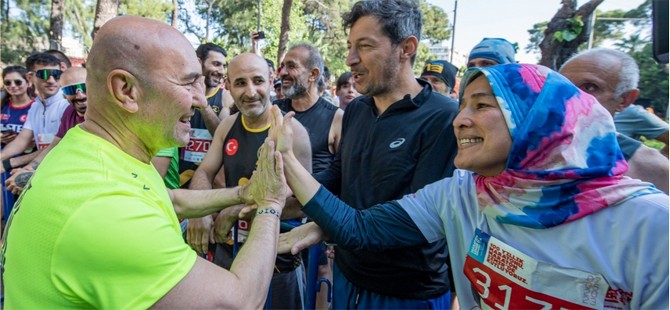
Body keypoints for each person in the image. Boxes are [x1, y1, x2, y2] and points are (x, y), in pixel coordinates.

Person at [270, 63, 669, 309]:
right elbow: (359, 229)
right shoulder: (459, 194)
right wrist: (287, 160)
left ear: (539, 119)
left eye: (481, 105)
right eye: (462, 106)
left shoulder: (649, 226)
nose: (459, 120)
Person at [1, 16, 288, 308]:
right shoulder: (104, 209)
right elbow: (238, 303)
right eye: (188, 82)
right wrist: (270, 204)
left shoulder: (91, 148)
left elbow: (167, 200)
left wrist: (244, 194)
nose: (200, 99)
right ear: (126, 90)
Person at [283, 0, 460, 308]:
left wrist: (289, 164)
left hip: (406, 294)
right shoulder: (357, 110)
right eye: (351, 46)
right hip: (349, 278)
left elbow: (398, 224)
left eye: (364, 46)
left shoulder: (444, 118)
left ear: (406, 48)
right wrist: (285, 196)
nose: (351, 59)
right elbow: (341, 175)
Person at [187, 52, 312, 309]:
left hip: (277, 261)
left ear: (271, 81)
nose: (251, 91)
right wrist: (198, 211)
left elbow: (305, 203)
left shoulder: (292, 131)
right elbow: (203, 173)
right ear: (229, 86)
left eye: (258, 81)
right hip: (228, 254)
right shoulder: (228, 125)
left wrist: (237, 212)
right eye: (241, 83)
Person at [559, 47, 669, 193]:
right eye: (560, 86)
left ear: (624, 99)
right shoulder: (525, 148)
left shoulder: (650, 168)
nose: (568, 97)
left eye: (589, 87)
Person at [4, 67, 87, 195]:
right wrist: (28, 169)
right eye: (71, 89)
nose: (80, 95)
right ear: (64, 93)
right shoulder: (68, 112)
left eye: (85, 87)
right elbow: (53, 147)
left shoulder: (105, 113)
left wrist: (33, 174)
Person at [277, 43, 343, 174]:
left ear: (313, 74)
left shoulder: (336, 117)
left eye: (291, 66)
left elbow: (342, 171)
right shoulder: (274, 110)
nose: (283, 72)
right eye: (283, 66)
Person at [1, 53, 69, 174]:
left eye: (56, 74)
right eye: (44, 75)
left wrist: (10, 163)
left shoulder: (67, 104)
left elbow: (59, 145)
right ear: (30, 77)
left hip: (65, 171)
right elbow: (22, 140)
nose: (51, 80)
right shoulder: (35, 106)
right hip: (45, 170)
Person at [179, 43, 231, 188]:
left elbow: (224, 136)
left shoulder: (225, 98)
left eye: (223, 66)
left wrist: (204, 106)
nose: (221, 71)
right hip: (178, 180)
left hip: (209, 182)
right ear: (198, 62)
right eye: (216, 64)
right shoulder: (181, 93)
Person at [1, 65, 34, 146]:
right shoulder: (2, 105)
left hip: (25, 156)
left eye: (18, 82)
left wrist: (19, 140)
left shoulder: (37, 107)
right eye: (7, 82)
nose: (12, 86)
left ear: (28, 83)